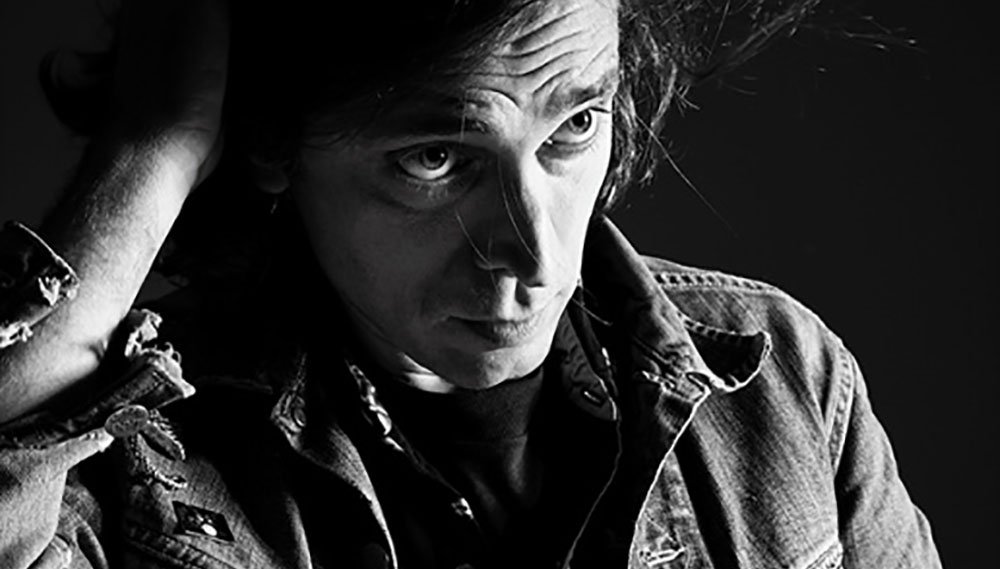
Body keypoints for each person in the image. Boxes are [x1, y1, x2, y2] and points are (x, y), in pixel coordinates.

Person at [0, 0, 942, 567]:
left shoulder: (780, 377)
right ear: (271, 142)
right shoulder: (137, 455)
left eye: (574, 127)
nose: (536, 255)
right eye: (437, 158)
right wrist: (152, 147)